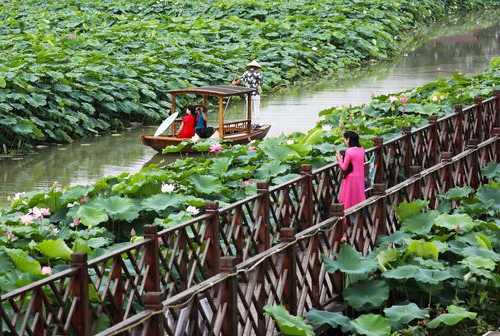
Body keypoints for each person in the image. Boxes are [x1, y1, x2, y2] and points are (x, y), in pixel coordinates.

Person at [336, 131, 366, 209]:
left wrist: (339, 158)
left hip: (351, 178)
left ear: (348, 139)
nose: (345, 141)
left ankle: (347, 219)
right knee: (358, 198)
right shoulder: (362, 149)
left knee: (348, 200)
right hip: (360, 177)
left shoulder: (349, 152)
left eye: (345, 139)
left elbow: (344, 167)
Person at [232, 60, 263, 127]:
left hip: (248, 94)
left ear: (250, 66)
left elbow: (239, 81)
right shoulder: (259, 73)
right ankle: (257, 123)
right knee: (256, 109)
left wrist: (234, 83)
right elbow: (260, 84)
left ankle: (249, 123)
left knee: (249, 109)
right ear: (256, 67)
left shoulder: (246, 73)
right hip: (256, 94)